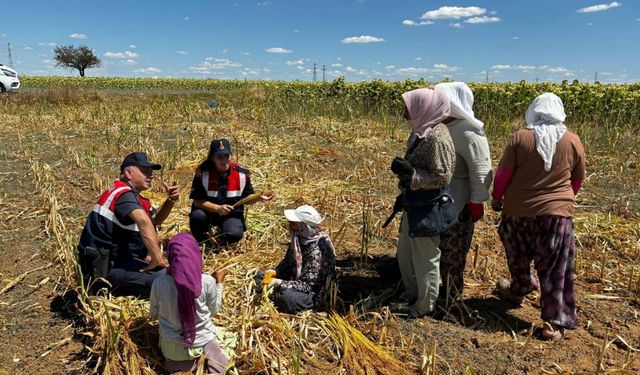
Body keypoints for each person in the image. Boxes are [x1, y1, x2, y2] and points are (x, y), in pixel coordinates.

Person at [491, 93, 585, 341]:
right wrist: (563, 201)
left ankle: (519, 287)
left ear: (534, 111)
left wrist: (497, 198)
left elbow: (503, 174)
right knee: (555, 268)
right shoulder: (573, 140)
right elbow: (577, 179)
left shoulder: (520, 138)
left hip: (517, 212)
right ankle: (552, 324)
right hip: (556, 217)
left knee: (517, 255)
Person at [391, 88, 456, 318]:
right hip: (415, 203)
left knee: (425, 259)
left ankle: (424, 306)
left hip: (428, 207)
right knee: (405, 255)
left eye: (409, 108)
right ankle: (411, 297)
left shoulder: (438, 137)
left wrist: (412, 174)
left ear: (424, 108)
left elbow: (443, 176)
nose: (405, 113)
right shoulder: (421, 131)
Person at [77, 152, 180, 297]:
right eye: (145, 171)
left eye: (151, 172)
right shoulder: (123, 194)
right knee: (166, 282)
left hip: (122, 262)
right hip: (106, 271)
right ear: (128, 173)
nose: (151, 175)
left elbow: (155, 220)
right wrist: (157, 258)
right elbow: (143, 221)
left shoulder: (134, 197)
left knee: (169, 276)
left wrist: (170, 200)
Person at [434, 82, 493, 304]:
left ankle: (451, 296)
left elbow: (481, 170)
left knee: (454, 252)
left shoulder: (469, 131)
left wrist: (477, 200)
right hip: (438, 201)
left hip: (459, 204)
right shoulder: (441, 126)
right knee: (439, 248)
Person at [150, 233, 228, 374]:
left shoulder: (159, 283)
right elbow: (214, 310)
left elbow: (154, 315)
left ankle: (180, 364)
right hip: (203, 339)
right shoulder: (207, 281)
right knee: (221, 346)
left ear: (171, 258)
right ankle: (210, 361)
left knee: (177, 364)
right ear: (196, 255)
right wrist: (219, 283)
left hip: (171, 346)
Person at [189, 139, 275, 247]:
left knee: (234, 233)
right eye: (219, 157)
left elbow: (247, 198)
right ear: (212, 158)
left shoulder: (241, 174)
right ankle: (202, 242)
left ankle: (219, 242)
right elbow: (198, 202)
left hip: (231, 214)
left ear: (231, 156)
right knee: (197, 216)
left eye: (227, 155)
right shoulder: (202, 174)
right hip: (208, 212)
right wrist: (218, 208)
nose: (224, 160)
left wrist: (258, 197)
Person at [258, 205, 336, 314]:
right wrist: (276, 271)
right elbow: (287, 262)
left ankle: (271, 295)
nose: (289, 224)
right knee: (257, 276)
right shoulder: (297, 239)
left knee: (286, 298)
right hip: (292, 280)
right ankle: (269, 293)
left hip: (311, 294)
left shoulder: (317, 251)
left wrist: (280, 283)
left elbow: (307, 285)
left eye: (294, 223)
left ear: (304, 226)